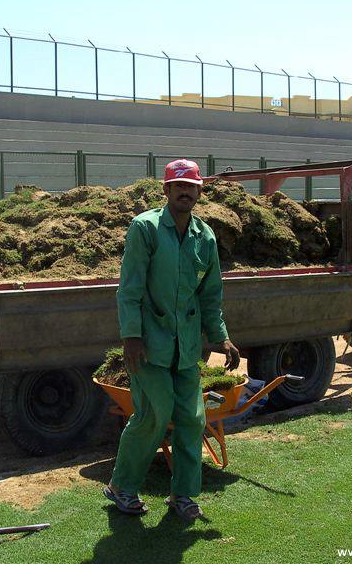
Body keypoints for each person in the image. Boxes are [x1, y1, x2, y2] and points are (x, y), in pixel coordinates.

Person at [103, 158, 240, 522]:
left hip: (186, 348)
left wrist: (222, 337)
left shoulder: (205, 237)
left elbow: (210, 295)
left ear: (199, 192)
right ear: (166, 190)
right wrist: (131, 336)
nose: (185, 191)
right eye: (178, 185)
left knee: (193, 419)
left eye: (191, 186)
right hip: (148, 345)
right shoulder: (144, 228)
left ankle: (183, 495)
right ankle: (122, 486)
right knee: (154, 413)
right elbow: (129, 288)